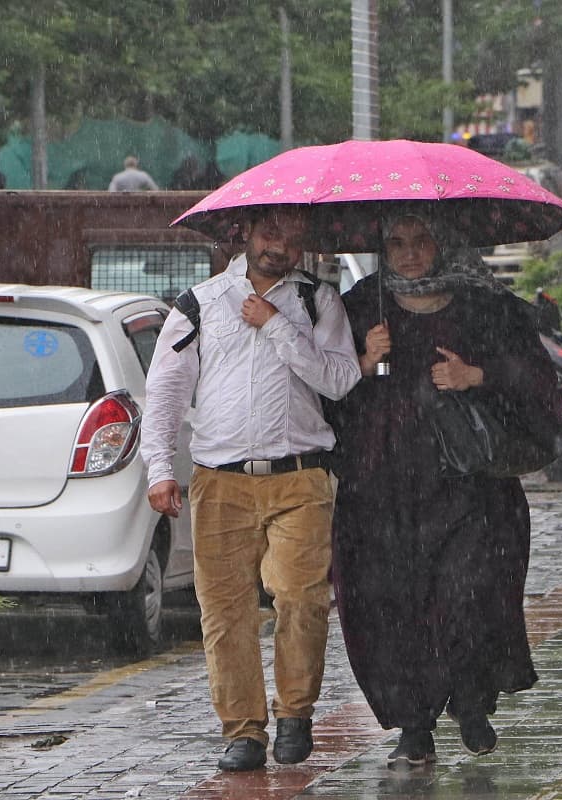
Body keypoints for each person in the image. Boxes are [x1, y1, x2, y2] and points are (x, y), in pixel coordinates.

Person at [328, 211, 562, 769]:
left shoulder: (487, 305)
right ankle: (414, 724)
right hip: (383, 489)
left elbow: (536, 380)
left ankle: (472, 700)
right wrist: (364, 362)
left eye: (422, 241)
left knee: (467, 594)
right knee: (394, 604)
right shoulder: (360, 308)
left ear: (445, 243)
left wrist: (475, 376)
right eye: (397, 243)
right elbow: (324, 390)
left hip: (471, 490)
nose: (410, 254)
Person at [140, 206, 361, 772]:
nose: (278, 246)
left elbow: (340, 378)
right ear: (245, 234)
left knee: (302, 599)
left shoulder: (319, 301)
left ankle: (295, 713)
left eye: (290, 237)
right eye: (269, 232)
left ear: (303, 245)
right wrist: (160, 468)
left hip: (302, 476)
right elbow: (165, 392)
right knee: (224, 611)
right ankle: (242, 730)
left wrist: (277, 325)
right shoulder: (201, 303)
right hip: (220, 482)